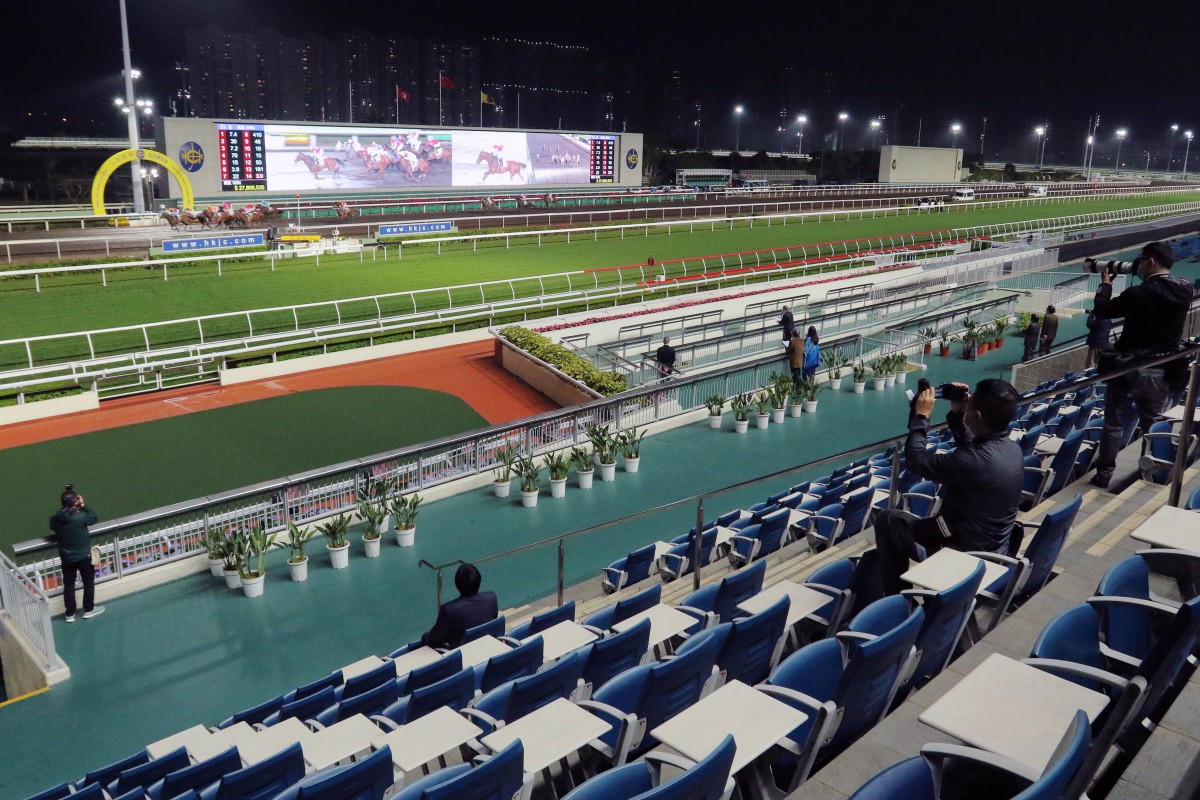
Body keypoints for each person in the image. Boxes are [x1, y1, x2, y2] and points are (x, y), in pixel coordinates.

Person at [865, 379, 1024, 600]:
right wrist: (959, 413)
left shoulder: (974, 461)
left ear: (977, 416)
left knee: (886, 520)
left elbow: (916, 460)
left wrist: (920, 416)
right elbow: (972, 449)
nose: (966, 404)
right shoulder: (1012, 449)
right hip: (994, 549)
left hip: (962, 556)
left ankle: (896, 601)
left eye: (969, 404)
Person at [1088, 242, 1193, 489]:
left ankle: (1104, 474)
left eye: (1141, 261)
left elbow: (1102, 310)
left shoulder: (1139, 294)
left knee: (1114, 424)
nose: (1139, 266)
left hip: (1127, 369)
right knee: (1153, 424)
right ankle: (1156, 472)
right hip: (1161, 369)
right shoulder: (1185, 290)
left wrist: (1105, 285)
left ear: (1151, 262)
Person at [49, 485, 103, 622]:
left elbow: (54, 521)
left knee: (69, 585)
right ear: (76, 502)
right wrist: (84, 506)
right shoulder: (80, 517)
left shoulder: (56, 520)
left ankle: (70, 614)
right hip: (84, 556)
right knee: (88, 582)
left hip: (67, 559)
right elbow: (93, 518)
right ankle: (89, 609)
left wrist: (67, 508)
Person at [421, 563, 499, 649]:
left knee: (425, 638)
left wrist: (425, 637)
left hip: (463, 654)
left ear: (456, 584)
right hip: (487, 645)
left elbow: (434, 638)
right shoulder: (492, 598)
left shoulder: (449, 610)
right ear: (479, 581)